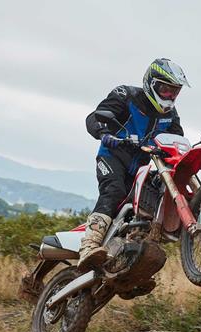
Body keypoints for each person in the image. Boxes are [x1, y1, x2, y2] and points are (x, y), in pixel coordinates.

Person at [78, 58, 190, 271]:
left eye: (174, 92)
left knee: (150, 206)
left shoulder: (171, 116)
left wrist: (189, 158)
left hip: (141, 169)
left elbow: (176, 140)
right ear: (152, 84)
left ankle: (130, 260)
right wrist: (104, 132)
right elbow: (94, 117)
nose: (170, 96)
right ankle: (89, 246)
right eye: (165, 90)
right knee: (114, 190)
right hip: (112, 157)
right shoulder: (126, 95)